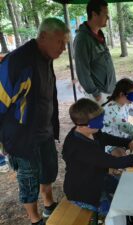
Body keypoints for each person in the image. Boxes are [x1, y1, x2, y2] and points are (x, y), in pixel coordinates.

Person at [0, 18, 69, 225]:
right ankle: (34, 219)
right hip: (21, 137)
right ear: (43, 37)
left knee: (47, 171)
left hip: (44, 132)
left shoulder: (46, 58)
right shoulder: (18, 62)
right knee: (28, 179)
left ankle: (49, 206)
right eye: (60, 42)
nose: (64, 48)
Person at [62, 98, 133, 214]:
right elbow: (116, 163)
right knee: (118, 211)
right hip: (84, 192)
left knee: (128, 190)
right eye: (98, 121)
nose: (101, 124)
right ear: (82, 124)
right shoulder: (81, 148)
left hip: (97, 177)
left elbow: (106, 138)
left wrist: (128, 143)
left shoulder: (89, 131)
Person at [74, 0, 116, 105]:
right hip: (99, 95)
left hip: (109, 91)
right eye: (105, 14)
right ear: (94, 14)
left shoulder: (99, 35)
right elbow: (82, 71)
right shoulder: (82, 39)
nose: (108, 17)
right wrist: (95, 93)